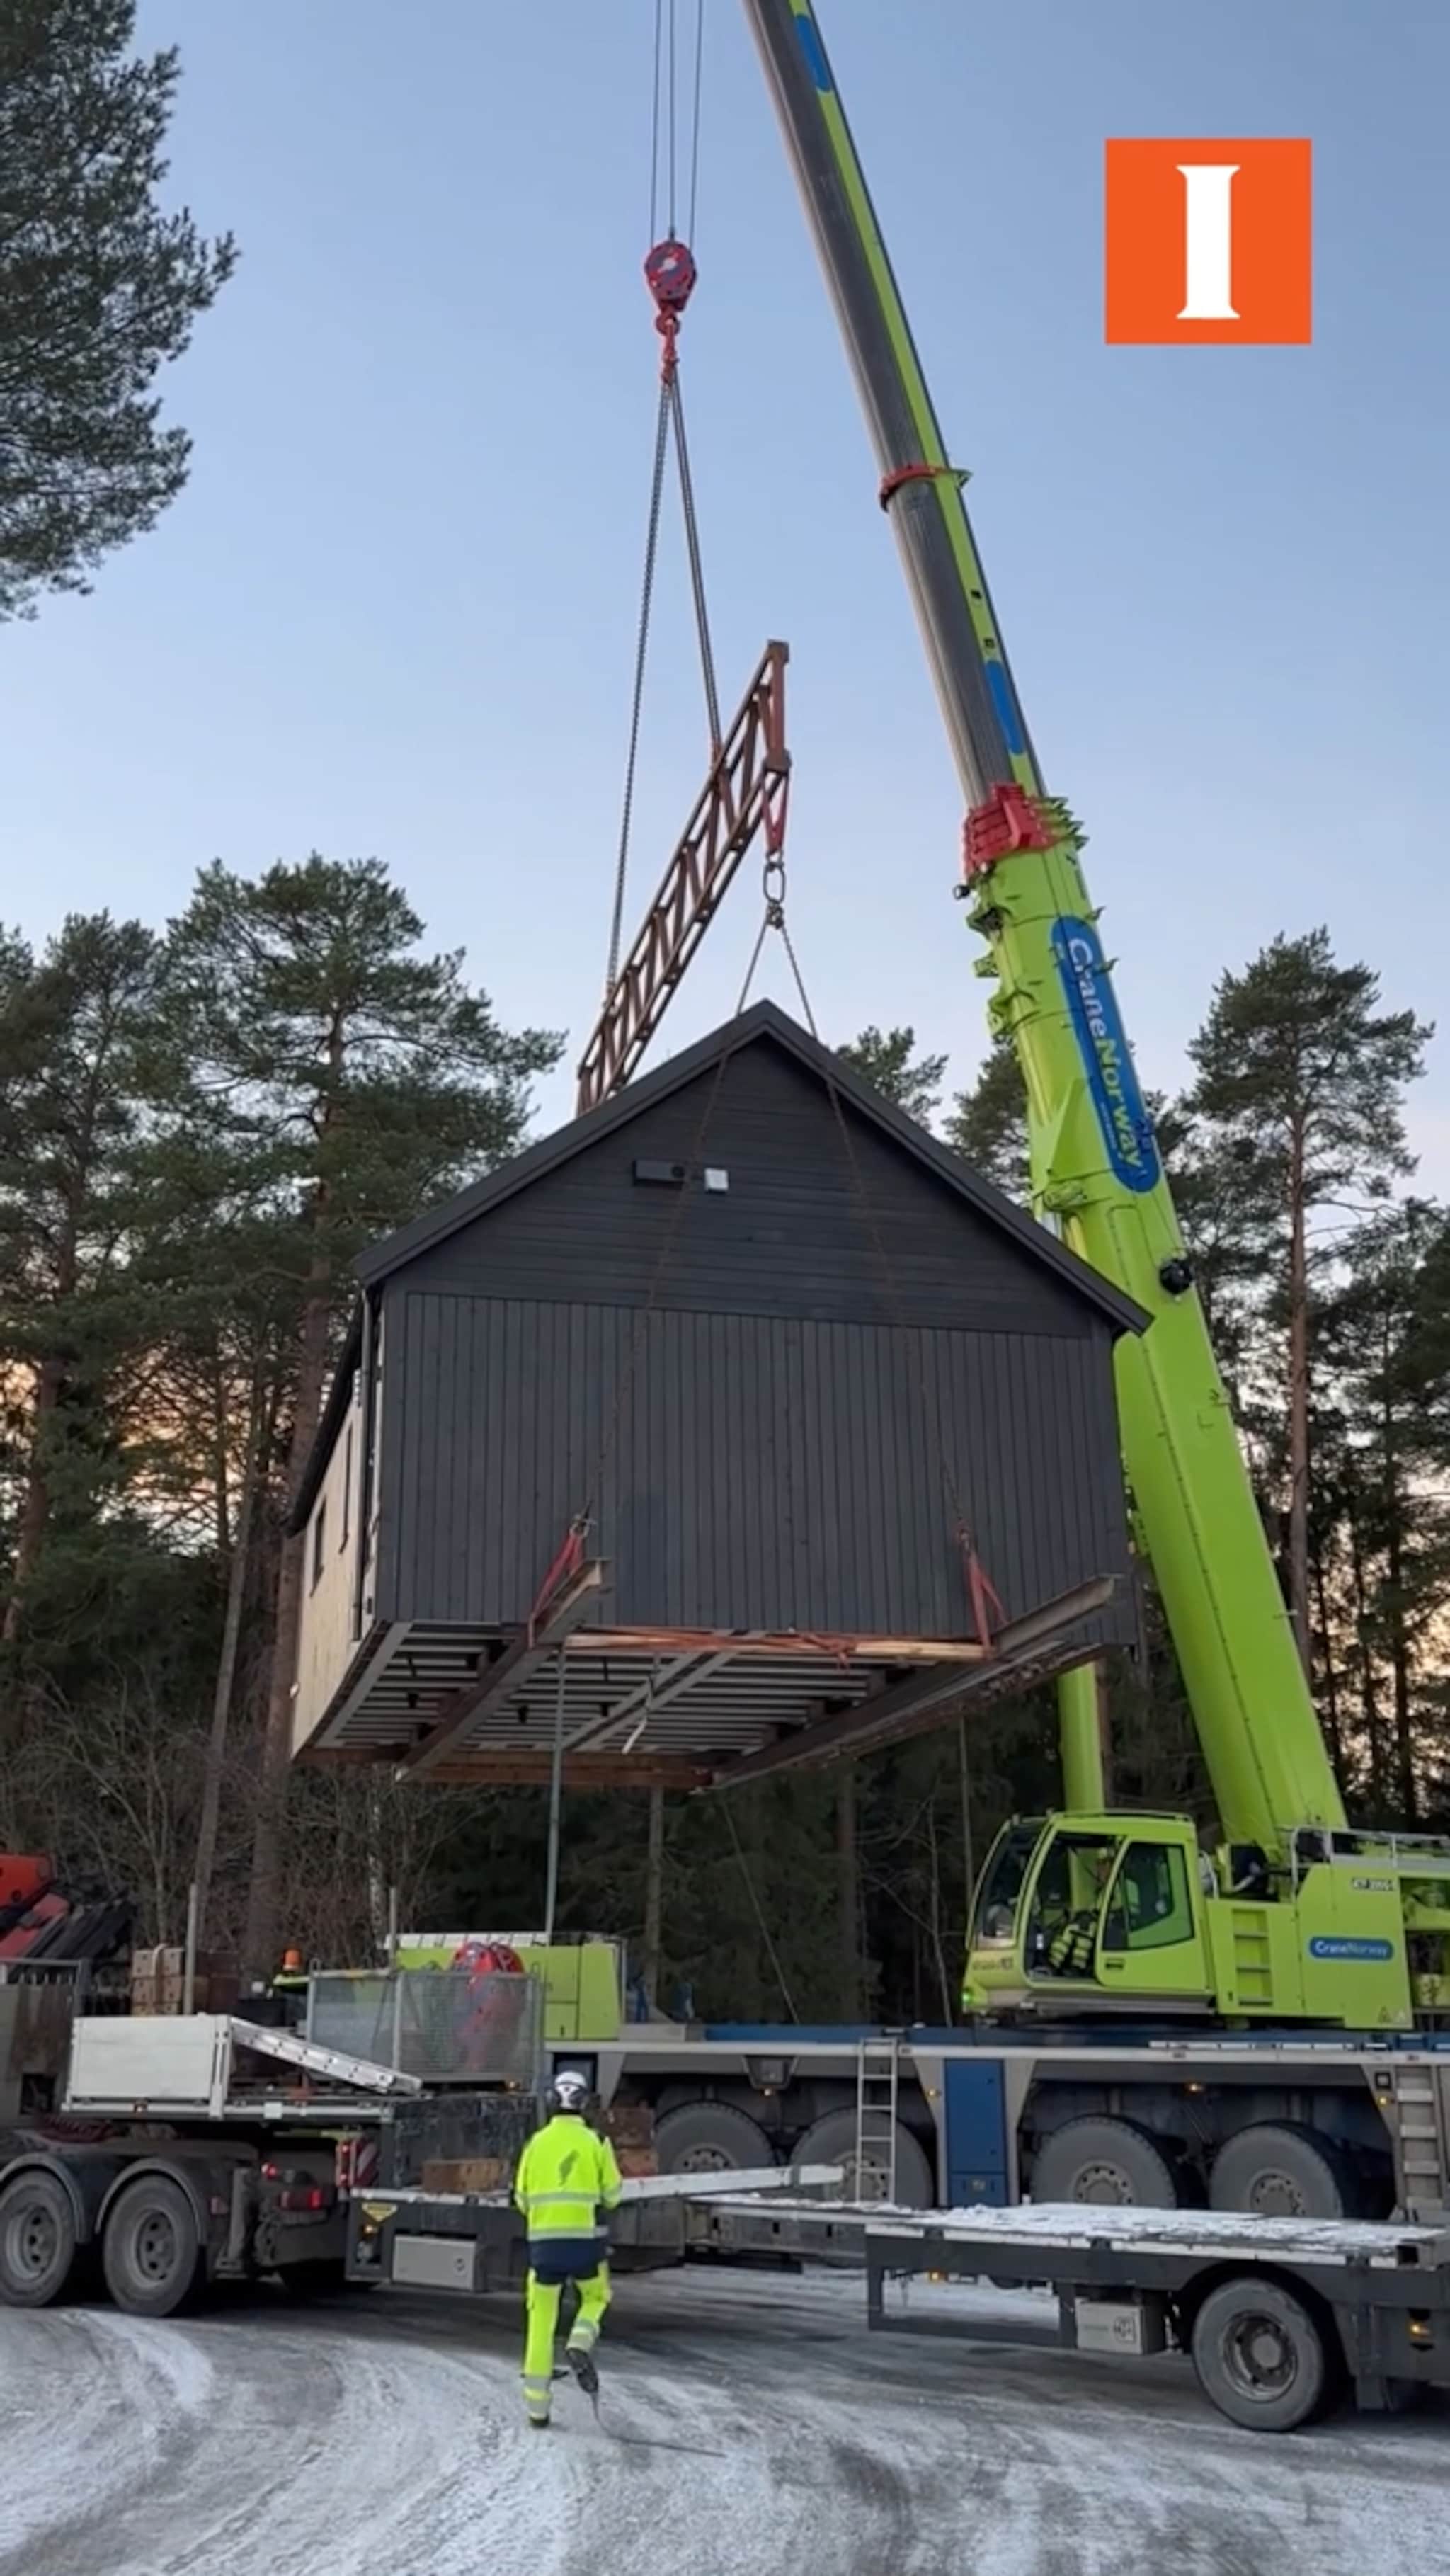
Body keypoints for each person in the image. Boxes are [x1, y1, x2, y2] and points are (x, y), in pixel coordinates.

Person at [513, 2070, 622, 2429]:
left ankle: (538, 2410)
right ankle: (580, 2339)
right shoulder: (596, 2142)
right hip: (584, 2246)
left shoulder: (535, 2144)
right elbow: (613, 2196)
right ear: (585, 2104)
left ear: (549, 2104)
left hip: (544, 2249)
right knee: (597, 2296)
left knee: (540, 2323)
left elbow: (523, 2199)